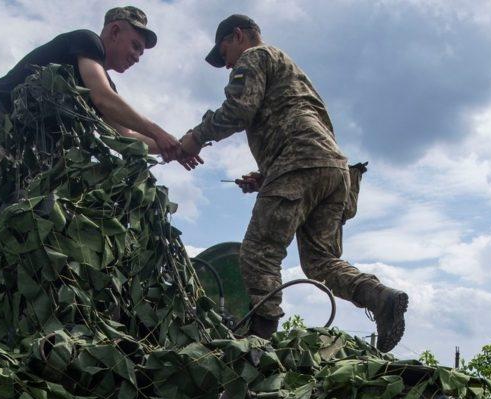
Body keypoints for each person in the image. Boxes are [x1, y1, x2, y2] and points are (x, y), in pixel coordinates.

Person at [0, 7, 184, 321]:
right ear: (115, 31)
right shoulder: (86, 42)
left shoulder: (101, 84)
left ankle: (7, 309)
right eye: (136, 45)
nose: (138, 56)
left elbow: (123, 136)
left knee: (30, 214)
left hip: (32, 147)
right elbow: (105, 100)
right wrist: (162, 133)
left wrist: (174, 147)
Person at [175, 15, 408, 351]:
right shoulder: (293, 70)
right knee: (320, 263)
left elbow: (240, 109)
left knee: (258, 254)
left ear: (238, 36)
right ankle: (380, 297)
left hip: (299, 163)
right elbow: (300, 124)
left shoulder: (254, 57)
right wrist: (267, 176)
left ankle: (257, 345)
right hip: (332, 170)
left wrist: (197, 137)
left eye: (224, 53)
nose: (227, 66)